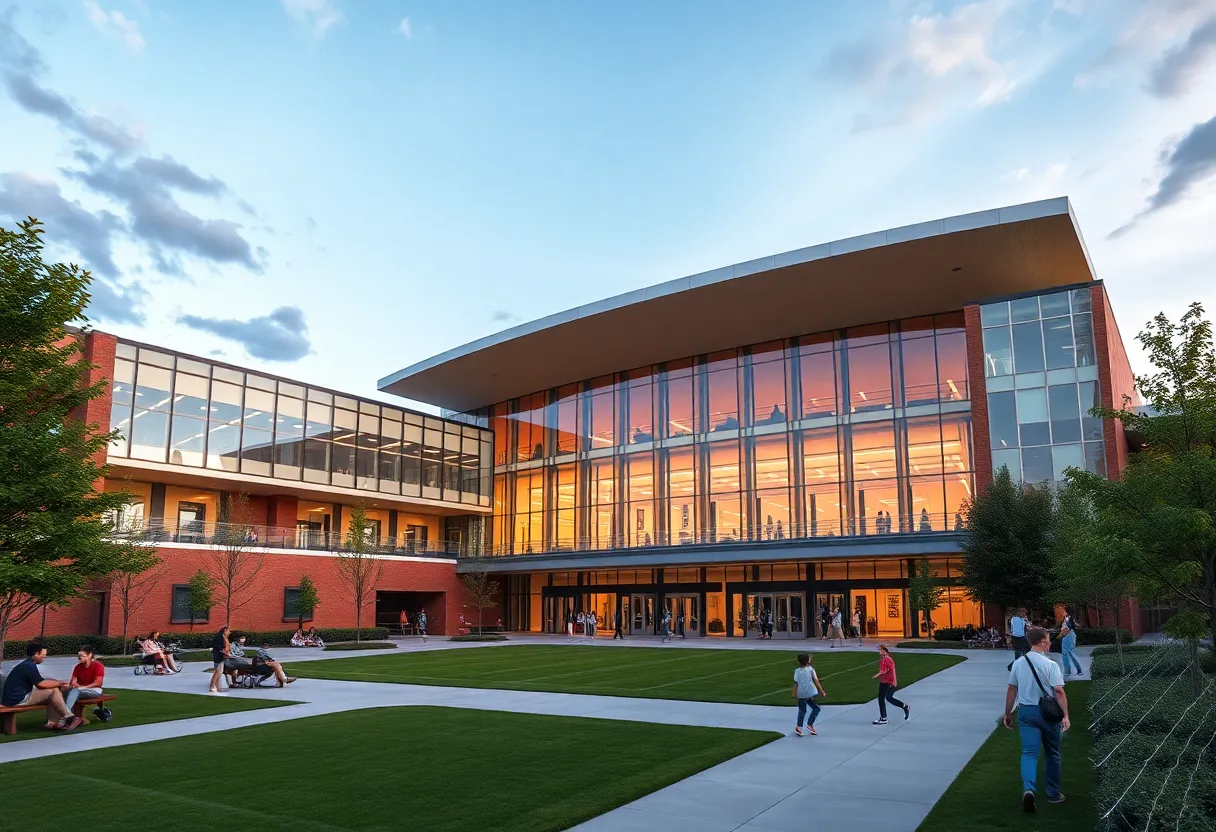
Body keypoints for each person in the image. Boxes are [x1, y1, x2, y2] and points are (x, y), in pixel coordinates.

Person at [1003, 627, 1070, 813]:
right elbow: (1059, 691)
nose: (1050, 643)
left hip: (1026, 713)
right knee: (1053, 754)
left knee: (1029, 753)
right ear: (1042, 641)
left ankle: (1029, 790)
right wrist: (1066, 715)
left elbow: (1011, 689)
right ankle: (1053, 793)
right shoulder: (1051, 665)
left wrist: (1007, 713)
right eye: (1048, 639)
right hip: (1047, 714)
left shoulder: (1018, 663)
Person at [0, 642, 81, 731]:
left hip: (12, 698)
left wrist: (59, 684)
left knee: (52, 693)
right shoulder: (28, 666)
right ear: (35, 654)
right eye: (43, 655)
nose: (44, 657)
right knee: (53, 690)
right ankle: (69, 716)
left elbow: (42, 681)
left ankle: (52, 723)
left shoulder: (27, 664)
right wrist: (60, 684)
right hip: (17, 699)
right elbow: (41, 684)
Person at [872, 645, 910, 724]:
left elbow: (884, 671)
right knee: (888, 697)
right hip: (889, 681)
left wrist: (876, 675)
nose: (878, 651)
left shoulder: (885, 659)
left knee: (881, 699)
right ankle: (904, 706)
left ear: (884, 651)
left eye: (880, 650)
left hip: (886, 682)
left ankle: (883, 718)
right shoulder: (888, 658)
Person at [792, 653, 827, 736]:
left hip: (801, 693)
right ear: (807, 662)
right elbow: (816, 681)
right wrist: (822, 691)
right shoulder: (810, 669)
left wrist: (794, 693)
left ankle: (799, 727)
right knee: (816, 709)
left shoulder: (797, 671)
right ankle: (810, 724)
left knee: (802, 710)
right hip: (810, 692)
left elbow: (796, 683)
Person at [64, 645, 106, 715]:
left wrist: (84, 687)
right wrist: (73, 685)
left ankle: (66, 714)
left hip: (95, 690)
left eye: (82, 656)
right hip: (80, 690)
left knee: (74, 692)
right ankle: (72, 715)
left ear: (90, 655)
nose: (79, 658)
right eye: (79, 655)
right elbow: (74, 680)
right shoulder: (77, 667)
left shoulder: (98, 666)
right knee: (64, 691)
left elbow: (98, 682)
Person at [1059, 609, 1082, 677]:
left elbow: (1066, 629)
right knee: (1068, 654)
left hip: (1068, 638)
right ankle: (1073, 670)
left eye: (1063, 611)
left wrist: (1061, 634)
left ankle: (1072, 670)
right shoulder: (1067, 619)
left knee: (1068, 654)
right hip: (1068, 637)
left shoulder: (1067, 619)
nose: (1062, 612)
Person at [209, 626, 231, 693]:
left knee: (220, 671)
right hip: (219, 656)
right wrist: (222, 650)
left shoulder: (223, 637)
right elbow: (217, 646)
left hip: (222, 655)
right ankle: (212, 686)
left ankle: (217, 687)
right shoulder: (219, 637)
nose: (229, 632)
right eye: (228, 631)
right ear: (225, 630)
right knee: (218, 671)